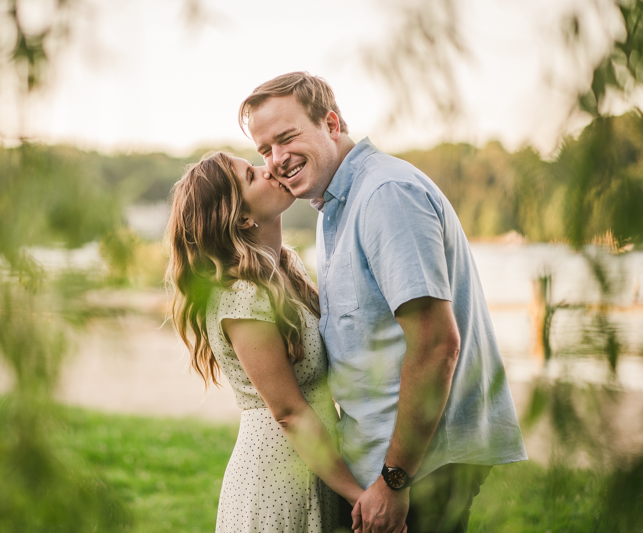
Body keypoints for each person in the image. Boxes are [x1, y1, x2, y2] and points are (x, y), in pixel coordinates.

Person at [239, 72, 527, 533]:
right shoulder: (333, 204)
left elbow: (436, 344)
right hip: (389, 466)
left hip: (422, 467)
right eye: (264, 150)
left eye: (286, 138)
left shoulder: (384, 196)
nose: (276, 160)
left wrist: (394, 479)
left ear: (331, 123)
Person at [165, 151, 365, 532]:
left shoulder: (286, 269)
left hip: (316, 467)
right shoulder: (243, 295)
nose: (270, 168)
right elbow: (289, 411)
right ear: (242, 217)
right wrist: (359, 495)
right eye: (252, 175)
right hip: (277, 480)